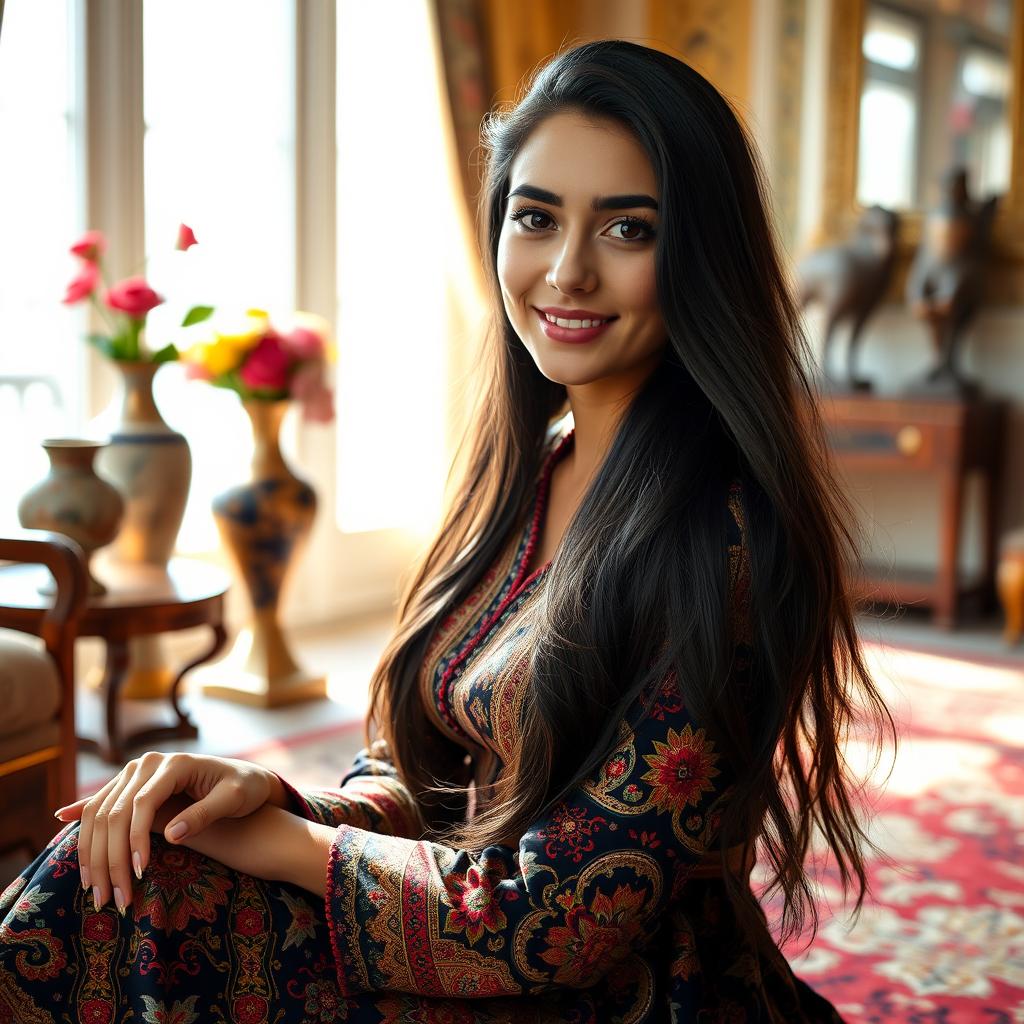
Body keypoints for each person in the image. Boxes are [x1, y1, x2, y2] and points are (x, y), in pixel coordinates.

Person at [0, 39, 893, 1022]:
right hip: (452, 919)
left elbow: (552, 922)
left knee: (148, 895)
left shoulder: (720, 540)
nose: (565, 271)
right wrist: (259, 794)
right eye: (536, 216)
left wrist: (291, 847)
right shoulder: (534, 467)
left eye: (629, 230)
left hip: (615, 990)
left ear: (699, 253)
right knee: (130, 860)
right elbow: (420, 765)